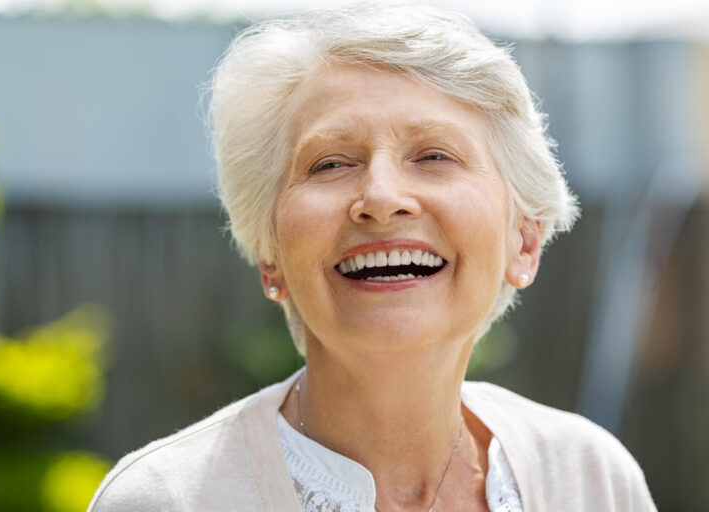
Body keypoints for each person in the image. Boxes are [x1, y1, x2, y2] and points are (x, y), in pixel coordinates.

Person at [88, 2, 657, 511]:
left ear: (524, 242)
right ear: (270, 255)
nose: (381, 198)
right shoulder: (163, 500)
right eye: (330, 164)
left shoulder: (592, 481)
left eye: (434, 155)